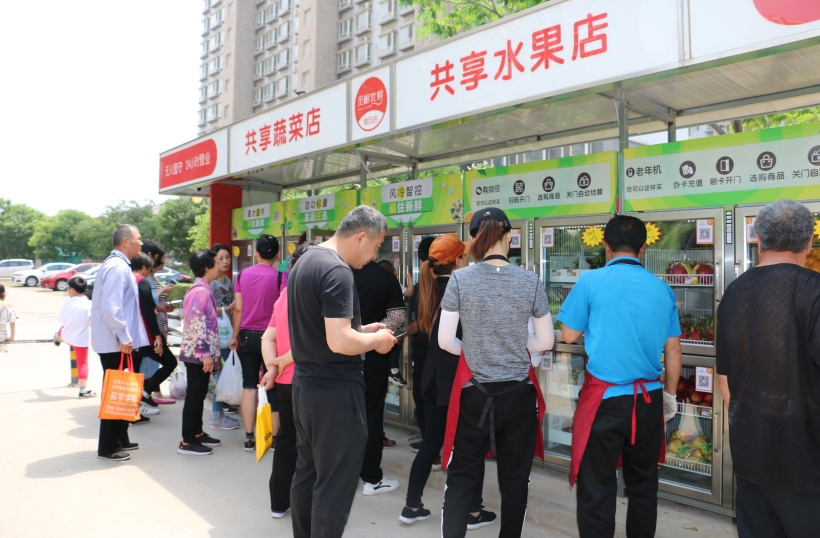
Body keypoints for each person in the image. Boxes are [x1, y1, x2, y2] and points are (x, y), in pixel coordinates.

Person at [558, 214, 681, 538]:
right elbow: (673, 350)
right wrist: (669, 396)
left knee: (597, 488)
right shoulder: (662, 288)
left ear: (605, 246)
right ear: (643, 248)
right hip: (649, 401)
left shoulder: (590, 281)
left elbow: (568, 335)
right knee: (643, 487)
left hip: (605, 402)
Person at [438, 207, 553, 536]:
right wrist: (516, 344)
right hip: (519, 397)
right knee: (515, 482)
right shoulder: (530, 280)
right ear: (510, 236)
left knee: (461, 478)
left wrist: (476, 349)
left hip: (475, 394)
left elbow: (446, 340)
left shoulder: (460, 279)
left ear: (474, 239)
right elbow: (545, 341)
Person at [287, 205, 397, 538]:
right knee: (334, 485)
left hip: (305, 387)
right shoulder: (338, 271)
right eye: (376, 246)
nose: (374, 256)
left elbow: (324, 332)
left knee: (307, 474)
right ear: (361, 237)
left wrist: (362, 330)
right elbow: (338, 341)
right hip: (334, 393)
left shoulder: (306, 260)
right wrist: (378, 339)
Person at [717, 200, 820, 538]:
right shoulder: (814, 290)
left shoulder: (734, 291)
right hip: (806, 464)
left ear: (757, 239)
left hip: (750, 458)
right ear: (809, 242)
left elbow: (724, 380)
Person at [400, 233, 472, 525]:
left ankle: (411, 505)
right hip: (456, 379)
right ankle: (470, 510)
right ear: (458, 261)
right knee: (465, 447)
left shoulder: (423, 288)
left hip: (430, 377)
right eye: (464, 256)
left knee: (431, 444)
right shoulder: (462, 290)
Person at [260, 241, 312, 518]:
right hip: (308, 380)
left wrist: (273, 368)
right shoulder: (312, 294)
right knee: (310, 448)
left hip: (284, 382)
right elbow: (317, 341)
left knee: (286, 442)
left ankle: (278, 502)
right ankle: (306, 507)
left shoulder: (284, 295)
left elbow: (268, 338)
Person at [91, 224, 149, 462]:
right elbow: (111, 307)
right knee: (116, 392)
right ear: (126, 241)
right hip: (115, 343)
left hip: (116, 341)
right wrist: (124, 337)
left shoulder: (118, 265)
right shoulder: (117, 267)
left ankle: (120, 438)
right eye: (138, 238)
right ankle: (108, 447)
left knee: (121, 389)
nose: (141, 242)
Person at [228, 234, 287, 452]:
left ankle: (249, 438)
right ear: (278, 254)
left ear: (256, 253)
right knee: (273, 386)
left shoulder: (242, 275)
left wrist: (235, 336)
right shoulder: (281, 277)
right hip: (271, 338)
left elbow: (239, 309)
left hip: (246, 336)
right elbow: (284, 310)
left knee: (249, 385)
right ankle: (274, 439)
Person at [353, 256, 406, 495]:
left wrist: (352, 336)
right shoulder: (384, 277)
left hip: (339, 358)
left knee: (342, 416)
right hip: (374, 359)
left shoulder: (338, 271)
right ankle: (371, 478)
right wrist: (373, 338)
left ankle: (345, 474)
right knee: (371, 417)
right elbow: (397, 316)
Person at [177, 249, 223, 456]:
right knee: (195, 397)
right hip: (198, 356)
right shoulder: (200, 292)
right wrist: (205, 354)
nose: (220, 266)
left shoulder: (202, 289)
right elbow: (197, 326)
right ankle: (187, 441)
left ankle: (196, 433)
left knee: (199, 394)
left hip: (199, 355)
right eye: (216, 262)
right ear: (206, 267)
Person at [130, 253, 178, 417]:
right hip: (145, 335)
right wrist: (157, 336)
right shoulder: (142, 281)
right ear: (144, 267)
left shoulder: (126, 281)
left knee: (135, 371)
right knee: (170, 362)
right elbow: (149, 312)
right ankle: (145, 393)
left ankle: (135, 407)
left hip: (130, 336)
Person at [406, 236, 436, 449]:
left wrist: (400, 334)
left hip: (424, 353)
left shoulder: (422, 287)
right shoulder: (451, 284)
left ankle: (430, 446)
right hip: (444, 353)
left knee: (423, 399)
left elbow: (419, 323)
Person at [141, 242, 177, 405]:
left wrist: (165, 308)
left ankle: (148, 394)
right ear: (150, 256)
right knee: (162, 363)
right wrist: (163, 291)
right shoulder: (145, 278)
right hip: (152, 330)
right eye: (160, 258)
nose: (162, 262)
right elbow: (149, 302)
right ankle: (147, 393)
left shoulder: (152, 277)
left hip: (158, 328)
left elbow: (154, 304)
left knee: (154, 364)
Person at [209, 243, 239, 430]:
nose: (225, 261)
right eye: (220, 258)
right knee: (219, 374)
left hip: (227, 333)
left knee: (225, 372)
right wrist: (227, 308)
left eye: (227, 257)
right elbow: (209, 309)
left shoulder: (228, 280)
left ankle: (220, 410)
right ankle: (216, 415)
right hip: (217, 334)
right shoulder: (212, 283)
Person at [58, 277, 95, 398]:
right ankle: (83, 390)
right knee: (82, 364)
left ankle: (57, 337)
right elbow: (92, 323)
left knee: (62, 329)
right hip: (80, 340)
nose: (67, 291)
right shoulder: (89, 304)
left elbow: (62, 320)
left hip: (66, 335)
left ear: (72, 289)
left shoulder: (66, 303)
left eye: (68, 288)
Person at [375, 259, 409, 388]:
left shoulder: (376, 282)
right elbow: (409, 293)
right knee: (395, 343)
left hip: (380, 323)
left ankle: (393, 371)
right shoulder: (393, 282)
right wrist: (410, 279)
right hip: (388, 324)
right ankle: (394, 371)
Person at [0, 283, 19, 353]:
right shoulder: (8, 305)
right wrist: (12, 337)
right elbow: (12, 322)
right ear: (4, 294)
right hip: (1, 336)